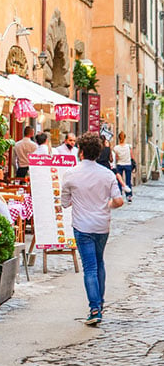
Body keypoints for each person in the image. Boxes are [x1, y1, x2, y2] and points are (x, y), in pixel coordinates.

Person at [61, 132, 123, 326]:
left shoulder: (71, 174)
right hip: (102, 225)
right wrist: (107, 206)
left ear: (80, 151)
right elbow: (119, 201)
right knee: (99, 263)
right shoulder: (107, 174)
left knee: (90, 267)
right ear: (98, 153)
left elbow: (64, 203)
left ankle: (95, 308)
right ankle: (100, 303)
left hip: (82, 226)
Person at [112, 131, 134, 203]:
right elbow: (131, 156)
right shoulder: (129, 146)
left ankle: (119, 195)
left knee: (119, 180)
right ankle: (129, 196)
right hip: (128, 164)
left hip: (120, 164)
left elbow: (116, 158)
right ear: (125, 138)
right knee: (128, 181)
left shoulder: (116, 148)